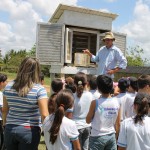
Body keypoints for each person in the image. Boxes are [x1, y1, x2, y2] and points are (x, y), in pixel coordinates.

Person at [3, 57, 49, 150]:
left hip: (10, 129)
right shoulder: (39, 89)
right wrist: (47, 131)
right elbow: (44, 114)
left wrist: (5, 124)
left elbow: (5, 110)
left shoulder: (8, 87)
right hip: (29, 130)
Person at [86, 75, 120, 150]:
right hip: (111, 136)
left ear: (98, 87)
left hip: (97, 137)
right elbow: (118, 124)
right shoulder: (117, 102)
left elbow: (87, 121)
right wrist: (115, 136)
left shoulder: (95, 102)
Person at [71, 72, 93, 150]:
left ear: (74, 83)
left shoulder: (72, 96)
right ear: (86, 83)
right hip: (87, 126)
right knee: (85, 148)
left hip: (76, 126)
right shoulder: (90, 95)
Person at [0, 73, 7, 149]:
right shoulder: (0, 94)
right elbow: (3, 109)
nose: (6, 83)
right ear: (1, 83)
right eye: (5, 81)